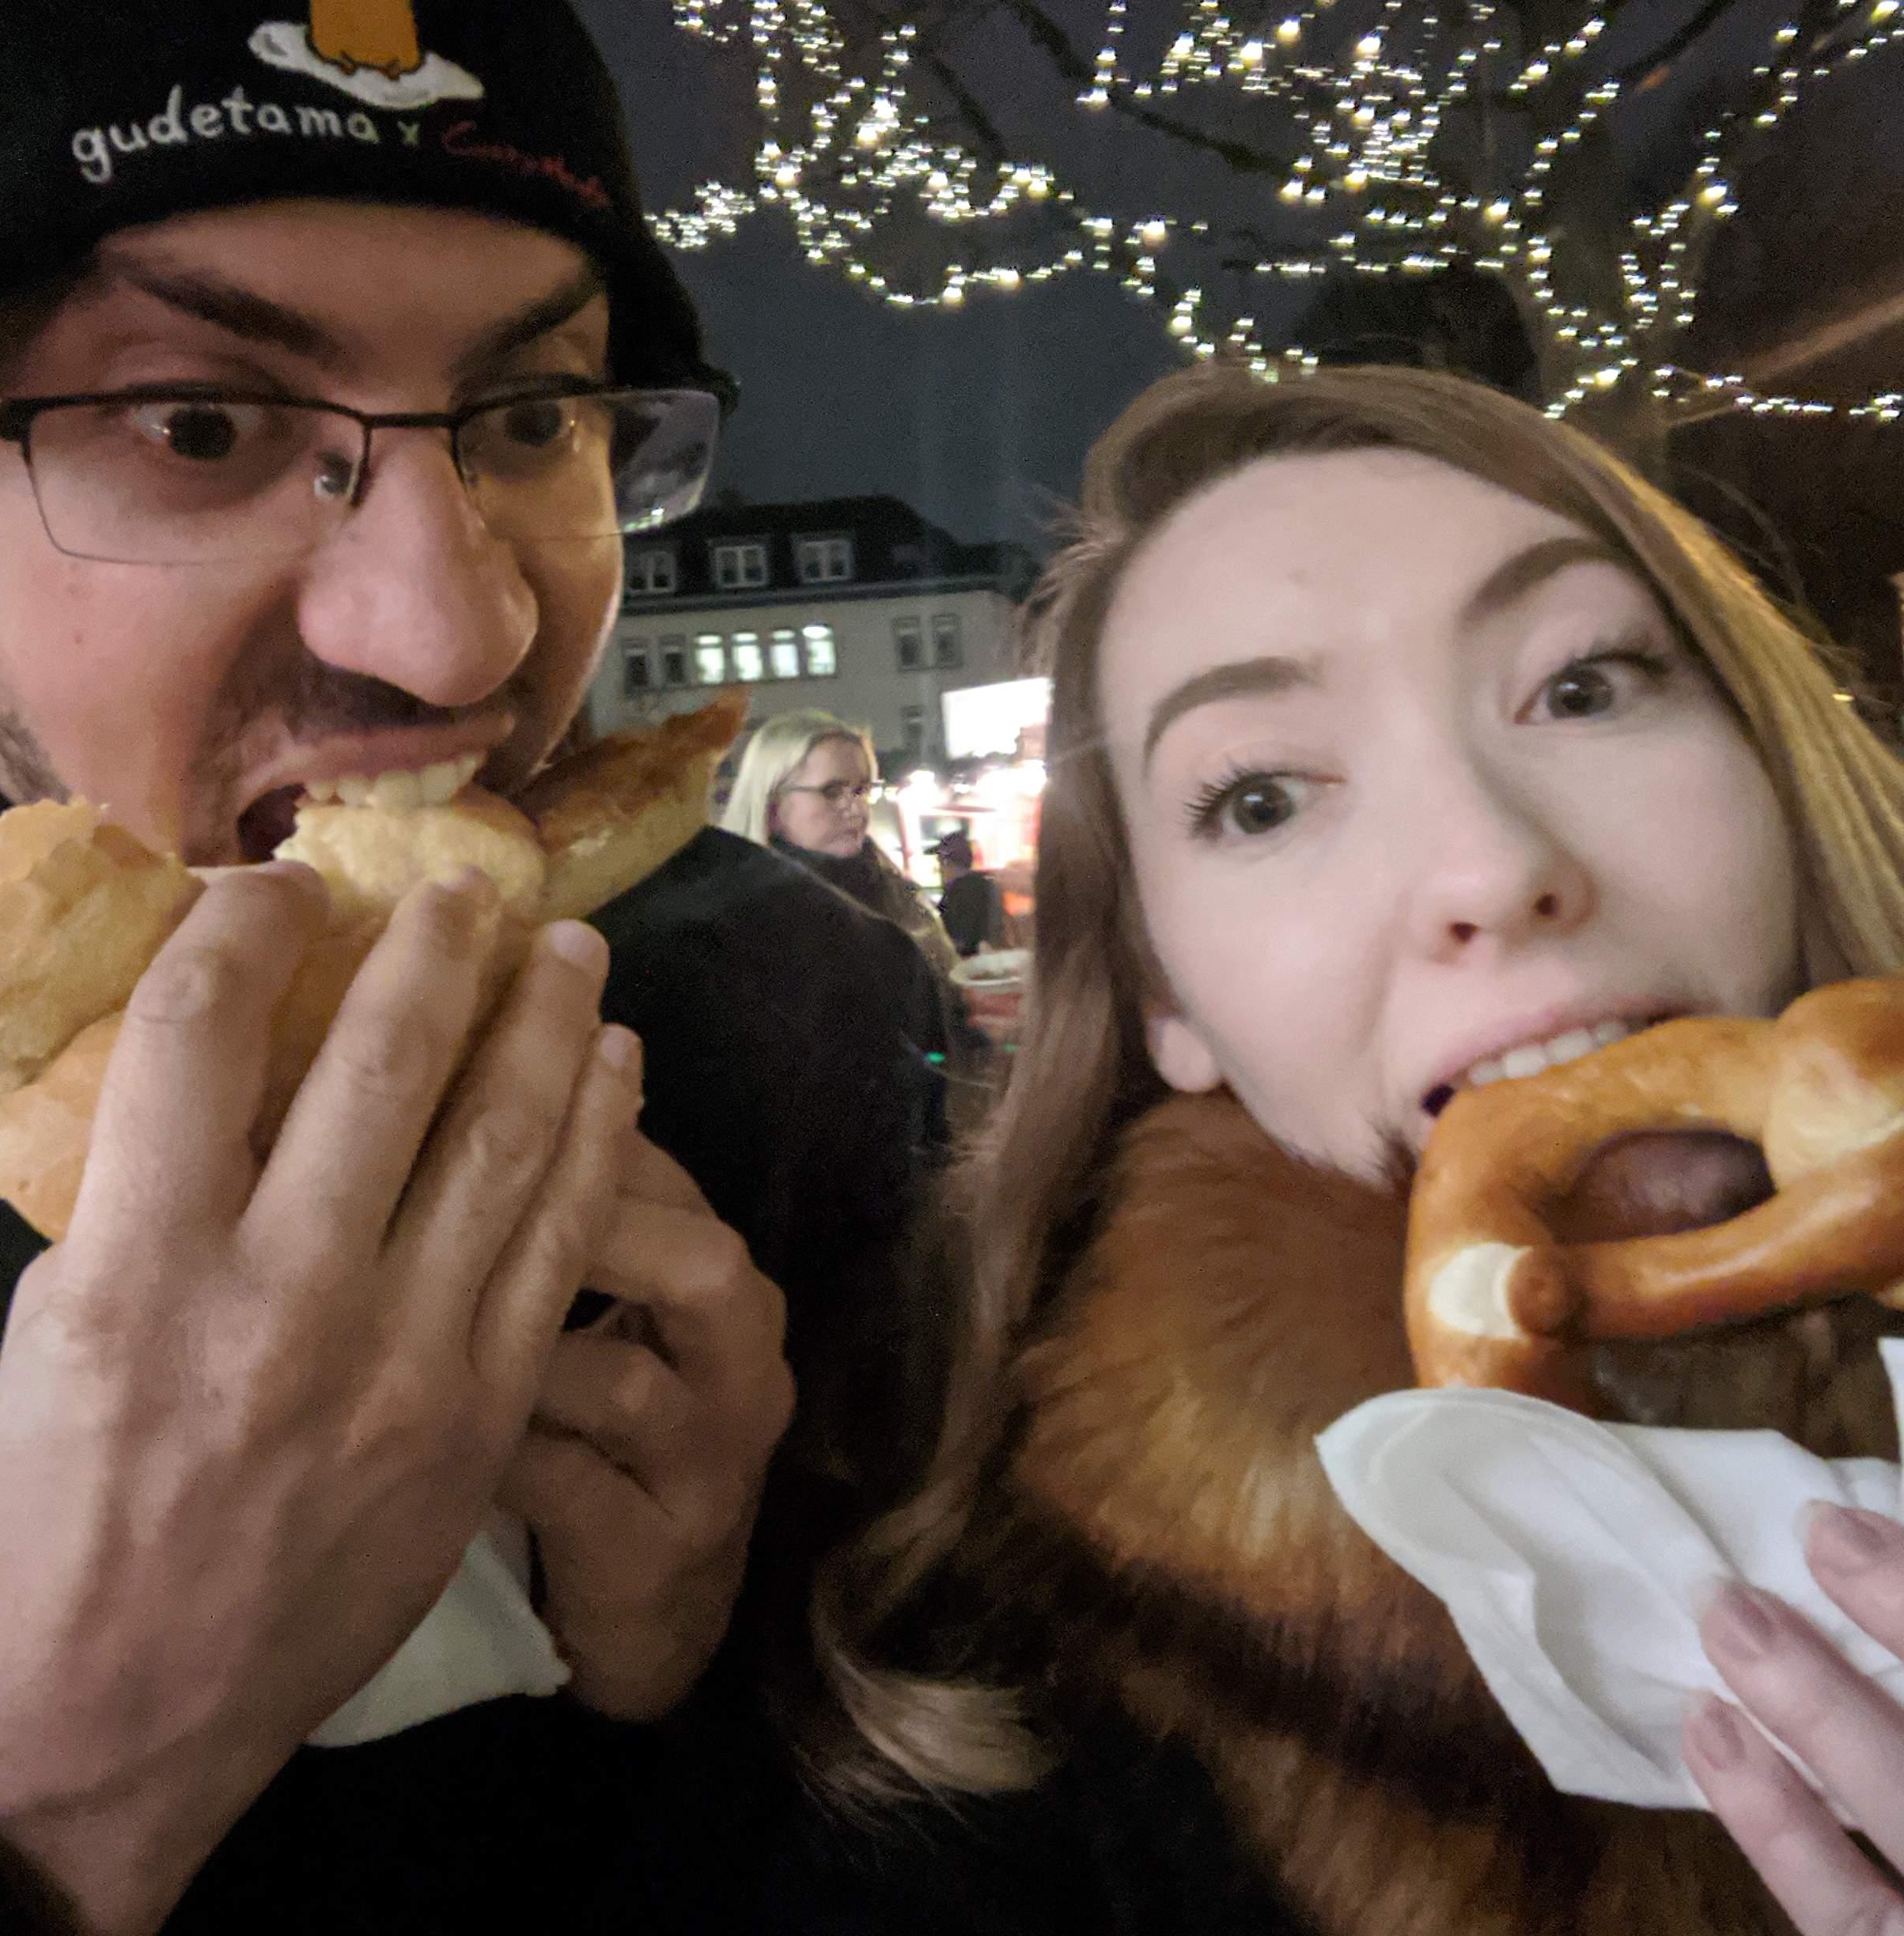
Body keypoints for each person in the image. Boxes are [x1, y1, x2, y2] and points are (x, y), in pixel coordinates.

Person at [0, 5, 945, 1928]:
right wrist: (53, 1801)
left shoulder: (802, 1006)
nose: (454, 632)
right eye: (198, 423)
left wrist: (691, 1669)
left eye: (528, 420)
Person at [816, 364, 1904, 1935]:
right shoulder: (993, 1727)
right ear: (1165, 999)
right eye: (1261, 796)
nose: (1491, 864)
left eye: (1583, 685)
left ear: (1774, 755)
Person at [722, 709, 962, 989]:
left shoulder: (893, 890)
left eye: (861, 790)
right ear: (772, 802)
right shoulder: (738, 920)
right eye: (832, 792)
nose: (856, 809)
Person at [931, 829, 1007, 959]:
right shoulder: (982, 885)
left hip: (967, 967)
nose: (938, 869)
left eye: (939, 862)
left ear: (946, 862)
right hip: (985, 963)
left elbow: (961, 941)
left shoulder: (961, 892)